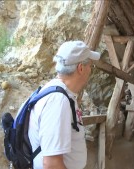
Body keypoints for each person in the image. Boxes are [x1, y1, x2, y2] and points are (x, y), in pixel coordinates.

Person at [28, 40, 100, 169]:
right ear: (81, 68)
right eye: (90, 66)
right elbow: (52, 164)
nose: (90, 70)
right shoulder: (58, 101)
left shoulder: (58, 92)